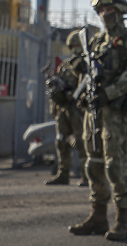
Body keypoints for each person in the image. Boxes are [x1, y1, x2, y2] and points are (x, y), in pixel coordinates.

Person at [69, 0, 127, 241]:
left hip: (115, 111)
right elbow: (89, 77)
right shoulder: (96, 41)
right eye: (100, 11)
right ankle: (98, 217)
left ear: (120, 12)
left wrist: (109, 93)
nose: (104, 15)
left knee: (116, 165)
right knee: (94, 164)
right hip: (95, 112)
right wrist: (80, 74)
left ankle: (123, 222)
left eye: (109, 10)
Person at [43, 30, 87, 187]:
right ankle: (63, 174)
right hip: (63, 109)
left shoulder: (85, 64)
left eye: (77, 45)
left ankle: (86, 176)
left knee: (82, 142)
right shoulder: (66, 64)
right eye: (73, 46)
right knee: (61, 141)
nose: (75, 48)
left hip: (78, 109)